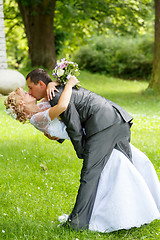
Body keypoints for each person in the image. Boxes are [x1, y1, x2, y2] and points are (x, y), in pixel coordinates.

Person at [4, 81, 160, 233]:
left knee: (128, 163)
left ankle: (135, 206)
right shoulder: (36, 118)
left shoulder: (41, 107)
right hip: (89, 140)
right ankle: (93, 218)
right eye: (25, 93)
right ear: (22, 105)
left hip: (94, 130)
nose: (29, 92)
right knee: (98, 174)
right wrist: (70, 85)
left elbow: (50, 94)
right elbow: (63, 106)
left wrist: (51, 84)